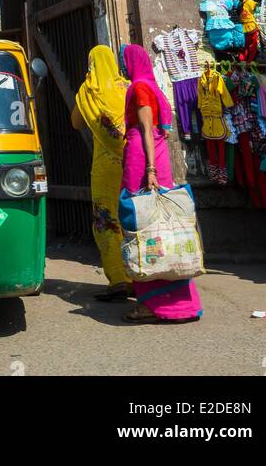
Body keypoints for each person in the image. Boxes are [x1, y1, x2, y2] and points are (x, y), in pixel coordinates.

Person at [117, 44, 203, 324]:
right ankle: (177, 302)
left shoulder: (140, 88)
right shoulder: (152, 87)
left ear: (131, 63)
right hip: (152, 160)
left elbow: (146, 129)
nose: (122, 65)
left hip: (143, 164)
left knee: (143, 228)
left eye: (124, 61)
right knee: (163, 229)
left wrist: (150, 170)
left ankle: (153, 303)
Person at [71, 46, 132, 301]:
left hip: (105, 168)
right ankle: (142, 275)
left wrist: (83, 94)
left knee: (106, 219)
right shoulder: (128, 88)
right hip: (132, 162)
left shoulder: (88, 92)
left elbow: (75, 123)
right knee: (133, 218)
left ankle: (119, 279)